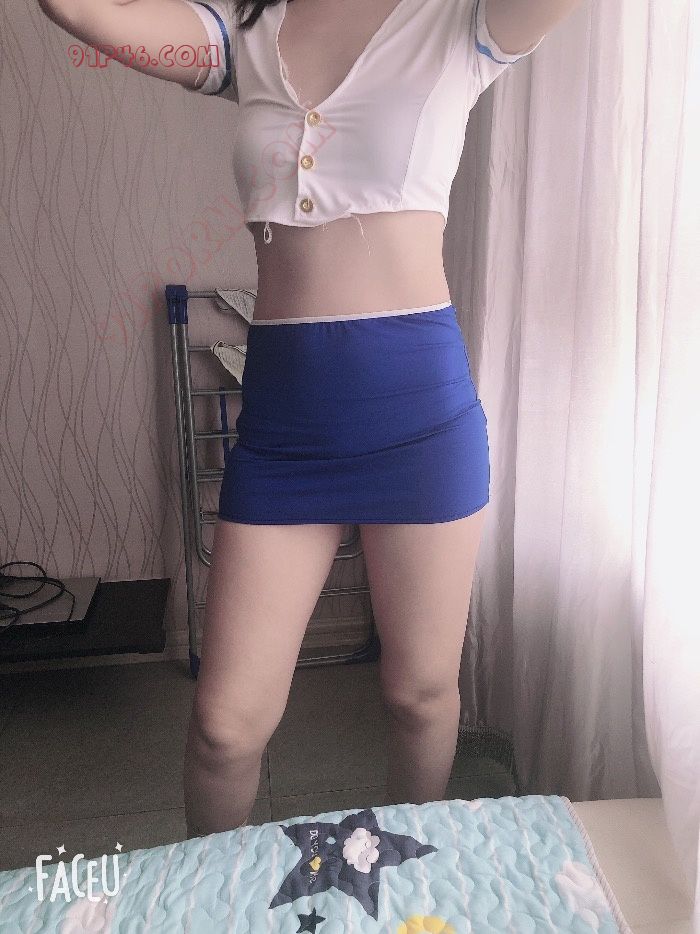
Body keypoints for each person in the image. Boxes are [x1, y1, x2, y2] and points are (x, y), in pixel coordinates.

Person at [39, 0, 575, 838]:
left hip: (419, 421)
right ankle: (213, 891)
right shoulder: (241, 36)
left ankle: (405, 877)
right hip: (285, 434)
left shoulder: (460, 22)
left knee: (419, 696)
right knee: (224, 729)